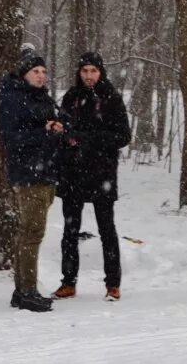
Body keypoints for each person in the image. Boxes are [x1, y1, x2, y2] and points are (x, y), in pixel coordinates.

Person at [53, 51, 131, 300]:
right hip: (72, 174)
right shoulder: (71, 97)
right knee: (70, 231)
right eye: (85, 71)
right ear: (79, 72)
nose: (89, 76)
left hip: (102, 173)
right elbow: (62, 131)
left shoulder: (111, 98)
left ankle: (113, 283)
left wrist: (90, 139)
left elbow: (123, 137)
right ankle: (68, 282)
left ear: (101, 72)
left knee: (106, 229)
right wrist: (66, 136)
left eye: (93, 71)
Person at [0, 47, 65, 313]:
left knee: (30, 232)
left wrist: (57, 127)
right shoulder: (15, 98)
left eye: (44, 72)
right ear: (24, 74)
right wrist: (45, 132)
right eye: (35, 72)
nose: (41, 76)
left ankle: (23, 289)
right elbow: (13, 138)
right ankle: (26, 290)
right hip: (29, 174)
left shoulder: (40, 97)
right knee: (31, 233)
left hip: (46, 171)